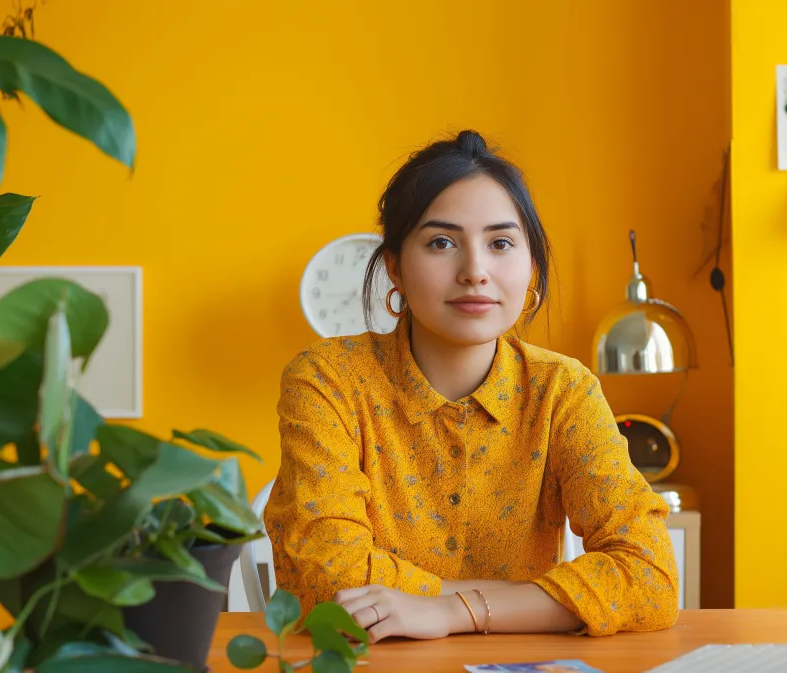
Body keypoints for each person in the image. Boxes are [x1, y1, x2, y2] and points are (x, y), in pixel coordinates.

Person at [264, 130, 678, 643]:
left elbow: (651, 578)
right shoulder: (327, 380)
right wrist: (531, 599)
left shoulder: (563, 389)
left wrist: (454, 611)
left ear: (531, 267)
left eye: (501, 243)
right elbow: (333, 581)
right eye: (441, 242)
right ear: (393, 265)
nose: (475, 272)